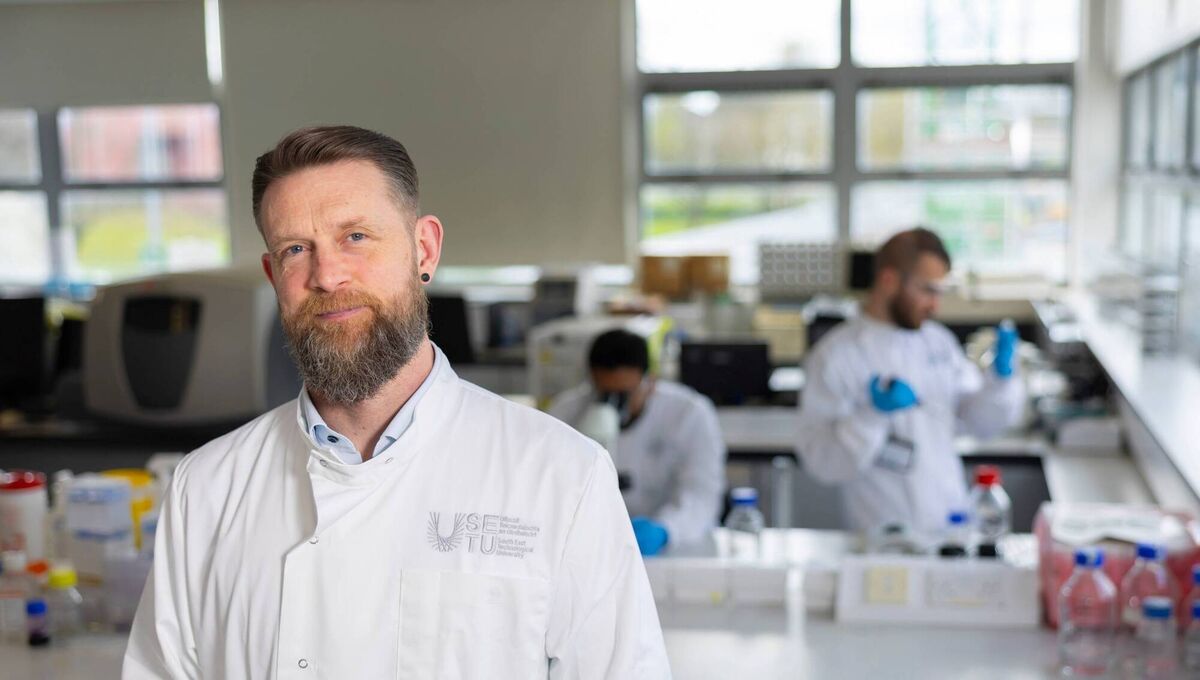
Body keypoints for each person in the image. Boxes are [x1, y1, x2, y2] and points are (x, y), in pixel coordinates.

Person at [123, 126, 670, 679]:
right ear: (274, 276)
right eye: (295, 249)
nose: (328, 275)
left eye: (355, 237)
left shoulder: (561, 474)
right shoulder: (206, 487)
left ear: (423, 248)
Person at [795, 228, 1024, 533]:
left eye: (939, 292)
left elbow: (981, 424)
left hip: (951, 525)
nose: (935, 305)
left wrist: (1000, 382)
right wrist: (870, 416)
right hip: (881, 534)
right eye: (927, 290)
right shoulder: (836, 355)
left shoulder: (938, 343)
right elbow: (824, 464)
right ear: (889, 280)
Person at [549, 330, 725, 557]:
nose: (614, 405)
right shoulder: (565, 413)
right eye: (604, 394)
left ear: (650, 381)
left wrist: (665, 530)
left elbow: (702, 495)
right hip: (595, 549)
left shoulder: (689, 414)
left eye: (624, 395)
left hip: (672, 548)